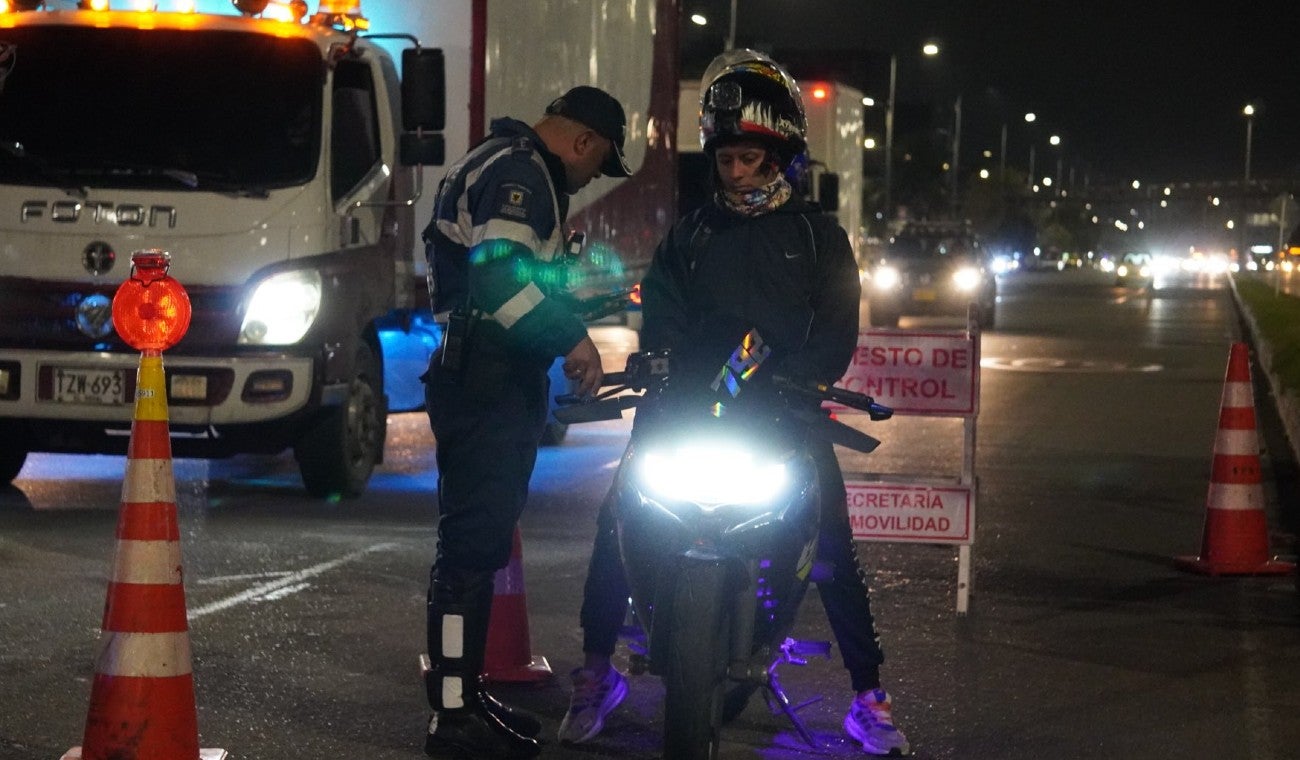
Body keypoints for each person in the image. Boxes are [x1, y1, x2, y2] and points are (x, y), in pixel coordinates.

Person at [558, 51, 911, 757]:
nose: (738, 171)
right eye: (727, 159)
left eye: (751, 158)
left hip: (784, 416)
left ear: (779, 156)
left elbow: (835, 331)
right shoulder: (689, 234)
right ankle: (596, 673)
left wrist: (806, 379)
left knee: (834, 543)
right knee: (615, 524)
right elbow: (662, 315)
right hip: (685, 416)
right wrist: (657, 363)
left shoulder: (819, 237)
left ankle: (870, 697)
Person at [420, 85, 631, 759]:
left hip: (486, 378)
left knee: (477, 550)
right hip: (485, 382)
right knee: (468, 552)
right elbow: (499, 279)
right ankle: (452, 718)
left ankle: (466, 694)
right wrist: (571, 337)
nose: (590, 177)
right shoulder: (522, 172)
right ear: (583, 141)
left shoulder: (501, 159)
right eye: (596, 165)